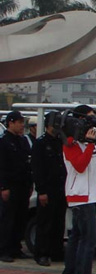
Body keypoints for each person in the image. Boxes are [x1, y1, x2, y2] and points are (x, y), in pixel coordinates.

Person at [61, 105, 96, 274]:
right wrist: (89, 144)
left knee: (77, 238)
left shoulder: (88, 143)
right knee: (88, 240)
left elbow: (93, 172)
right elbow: (79, 166)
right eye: (87, 120)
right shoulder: (70, 144)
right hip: (80, 197)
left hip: (89, 195)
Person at [31, 111, 67, 266]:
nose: (56, 128)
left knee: (59, 222)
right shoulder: (40, 143)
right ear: (48, 126)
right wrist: (42, 191)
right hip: (48, 189)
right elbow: (37, 169)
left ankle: (56, 251)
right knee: (45, 223)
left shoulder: (60, 142)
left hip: (60, 189)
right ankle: (42, 253)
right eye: (54, 125)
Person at [0, 111, 33, 262]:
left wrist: (30, 183)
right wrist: (3, 187)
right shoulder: (4, 141)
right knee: (8, 219)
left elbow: (28, 163)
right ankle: (4, 249)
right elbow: (2, 167)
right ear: (11, 123)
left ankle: (16, 248)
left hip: (23, 185)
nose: (21, 126)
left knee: (20, 218)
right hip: (10, 186)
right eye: (19, 122)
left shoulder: (22, 141)